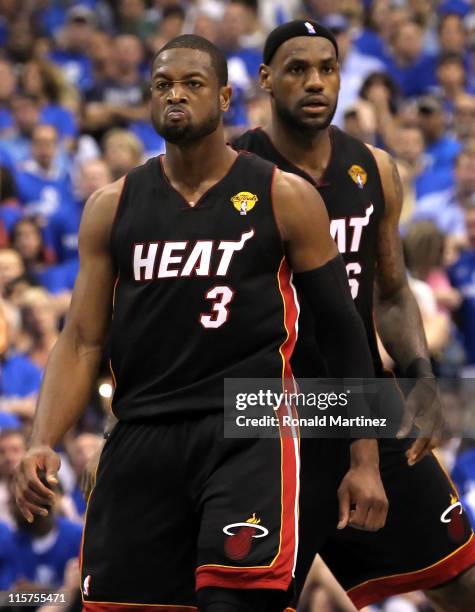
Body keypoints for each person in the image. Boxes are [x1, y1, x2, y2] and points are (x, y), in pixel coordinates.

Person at [14, 35, 386, 611]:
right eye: (163, 85)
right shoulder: (112, 205)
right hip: (142, 430)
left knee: (235, 603)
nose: (176, 96)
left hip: (250, 425)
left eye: (192, 84)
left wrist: (364, 456)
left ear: (226, 98)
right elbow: (84, 340)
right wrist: (42, 439)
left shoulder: (284, 196)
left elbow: (344, 331)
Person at [233, 19, 475, 611]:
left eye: (327, 68)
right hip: (263, 410)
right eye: (297, 69)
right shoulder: (230, 170)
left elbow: (391, 293)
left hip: (359, 401)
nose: (315, 82)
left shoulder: (376, 169)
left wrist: (419, 371)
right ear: (265, 79)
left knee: (464, 584)